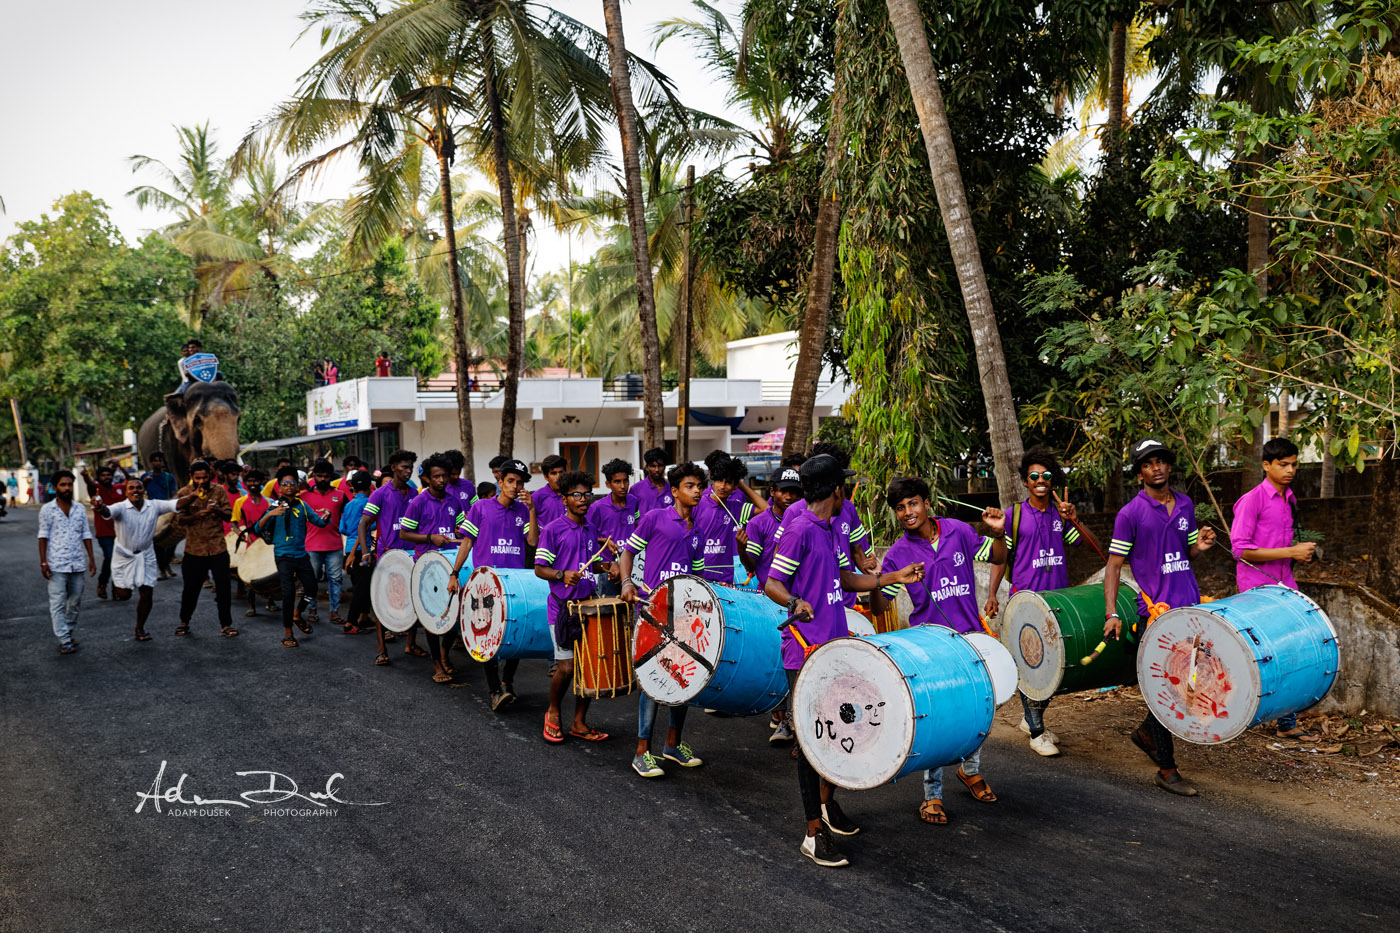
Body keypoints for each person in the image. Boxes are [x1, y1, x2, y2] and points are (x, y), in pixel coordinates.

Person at [764, 455, 925, 867]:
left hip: (836, 646)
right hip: (803, 652)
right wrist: (796, 602)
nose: (846, 493)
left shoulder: (835, 527)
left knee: (836, 732)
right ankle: (812, 833)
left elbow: (848, 579)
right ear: (835, 490)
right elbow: (773, 583)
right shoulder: (799, 528)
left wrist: (895, 577)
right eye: (844, 487)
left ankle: (827, 807)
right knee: (808, 741)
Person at [868, 475, 1006, 825]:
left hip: (970, 638)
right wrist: (883, 578)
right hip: (928, 646)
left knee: (978, 708)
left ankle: (970, 770)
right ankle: (932, 795)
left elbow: (998, 555)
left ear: (927, 503)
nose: (908, 512)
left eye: (913, 503)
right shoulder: (898, 553)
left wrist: (1000, 532)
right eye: (900, 508)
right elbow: (879, 608)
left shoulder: (959, 531)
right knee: (938, 719)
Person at [1104, 438, 1216, 796]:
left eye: (1162, 461)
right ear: (1139, 473)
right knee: (1168, 686)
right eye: (1149, 463)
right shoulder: (1130, 514)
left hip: (1191, 606)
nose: (1157, 467)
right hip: (1157, 613)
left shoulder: (1185, 504)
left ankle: (1145, 732)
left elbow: (1187, 553)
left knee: (1190, 685)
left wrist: (1201, 547)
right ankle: (1167, 769)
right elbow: (1113, 566)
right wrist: (1111, 612)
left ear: (1169, 466)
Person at [983, 448, 1099, 757]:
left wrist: (1075, 520)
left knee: (1053, 666)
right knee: (1031, 664)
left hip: (1058, 600)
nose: (1040, 481)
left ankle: (1031, 718)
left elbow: (1091, 546)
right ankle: (1036, 731)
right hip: (1026, 601)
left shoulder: (1060, 515)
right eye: (1034, 476)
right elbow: (1000, 557)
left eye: (1046, 476)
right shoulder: (1014, 516)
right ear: (1025, 481)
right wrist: (993, 593)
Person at [620, 462, 707, 778]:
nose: (696, 491)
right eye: (689, 486)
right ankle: (642, 752)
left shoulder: (697, 529)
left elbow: (696, 575)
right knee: (653, 679)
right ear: (674, 491)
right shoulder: (655, 518)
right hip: (653, 613)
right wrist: (627, 582)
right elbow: (627, 553)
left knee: (685, 678)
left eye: (699, 486)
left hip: (683, 616)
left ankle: (672, 745)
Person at [1231, 436, 1319, 741]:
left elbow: (1282, 545)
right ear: (1266, 465)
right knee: (1258, 654)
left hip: (1284, 583)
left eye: (1294, 464)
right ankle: (1238, 713)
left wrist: (1296, 555)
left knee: (1295, 648)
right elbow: (1240, 550)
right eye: (1283, 465)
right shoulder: (1252, 500)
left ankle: (1286, 723)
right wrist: (1291, 552)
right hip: (1256, 587)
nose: (1290, 470)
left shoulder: (1289, 498)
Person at [447, 459, 539, 708]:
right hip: (485, 583)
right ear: (500, 482)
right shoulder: (481, 508)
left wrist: (531, 509)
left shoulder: (523, 510)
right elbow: (466, 542)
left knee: (515, 633)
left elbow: (532, 542)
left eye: (519, 482)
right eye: (510, 481)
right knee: (485, 635)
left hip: (515, 583)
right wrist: (455, 573)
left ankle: (507, 682)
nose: (515, 486)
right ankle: (494, 690)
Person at [537, 470, 616, 743]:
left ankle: (579, 723)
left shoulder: (590, 529)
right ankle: (554, 711)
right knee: (567, 668)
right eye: (577, 495)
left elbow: (589, 563)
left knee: (588, 667)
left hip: (588, 606)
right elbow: (539, 568)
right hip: (561, 608)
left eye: (587, 494)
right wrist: (561, 575)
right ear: (564, 499)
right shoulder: (552, 529)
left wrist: (605, 566)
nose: (584, 499)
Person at [741, 466, 804, 743]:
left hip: (800, 599)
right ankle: (781, 719)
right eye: (783, 491)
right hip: (769, 601)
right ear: (773, 492)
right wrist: (742, 548)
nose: (789, 496)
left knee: (797, 661)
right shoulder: (758, 523)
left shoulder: (806, 517)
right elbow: (752, 566)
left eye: (794, 491)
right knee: (777, 659)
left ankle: (794, 721)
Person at [93, 478, 195, 641]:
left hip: (146, 554)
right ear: (126, 492)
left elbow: (176, 505)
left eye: (139, 488)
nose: (135, 491)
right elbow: (107, 512)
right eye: (131, 488)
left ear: (144, 490)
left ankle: (140, 628)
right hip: (124, 556)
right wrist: (100, 507)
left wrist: (195, 494)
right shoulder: (121, 507)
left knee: (146, 592)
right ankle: (117, 584)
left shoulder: (153, 506)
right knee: (124, 595)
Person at [399, 453, 471, 684]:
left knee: (454, 615)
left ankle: (444, 653)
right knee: (432, 617)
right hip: (427, 565)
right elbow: (404, 533)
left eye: (444, 476)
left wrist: (462, 532)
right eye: (436, 476)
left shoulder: (454, 501)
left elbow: (462, 528)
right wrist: (431, 537)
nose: (441, 480)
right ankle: (437, 664)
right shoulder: (418, 502)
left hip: (451, 565)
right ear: (427, 479)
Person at [357, 450, 425, 659]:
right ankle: (381, 650)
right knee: (382, 602)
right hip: (387, 556)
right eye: (404, 467)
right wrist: (366, 552)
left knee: (413, 600)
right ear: (394, 467)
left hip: (411, 555)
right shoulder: (380, 493)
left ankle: (411, 644)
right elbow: (363, 524)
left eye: (410, 468)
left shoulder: (414, 494)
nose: (408, 471)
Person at [256, 467, 331, 648]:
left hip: (301, 554)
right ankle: (288, 631)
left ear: (298, 486)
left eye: (292, 483)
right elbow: (258, 528)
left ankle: (298, 613)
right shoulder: (274, 505)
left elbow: (319, 523)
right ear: (279, 487)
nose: (289, 487)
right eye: (285, 484)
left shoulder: (303, 505)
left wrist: (326, 516)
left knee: (311, 588)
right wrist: (270, 514)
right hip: (283, 555)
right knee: (288, 593)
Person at [173, 460, 238, 638]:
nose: (202, 481)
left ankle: (226, 624)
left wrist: (217, 511)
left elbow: (229, 516)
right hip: (194, 550)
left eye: (205, 477)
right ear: (191, 477)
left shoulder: (219, 490)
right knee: (191, 589)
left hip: (217, 548)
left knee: (224, 589)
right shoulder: (184, 493)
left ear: (210, 475)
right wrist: (196, 515)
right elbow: (180, 520)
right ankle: (184, 622)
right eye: (198, 478)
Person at [37, 470, 96, 654]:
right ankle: (64, 638)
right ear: (55, 488)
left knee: (76, 600)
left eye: (70, 484)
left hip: (77, 563)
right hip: (56, 564)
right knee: (58, 603)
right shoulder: (48, 509)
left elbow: (86, 534)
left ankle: (68, 633)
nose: (67, 488)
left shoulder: (79, 508)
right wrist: (43, 562)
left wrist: (92, 559)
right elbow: (43, 536)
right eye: (63, 485)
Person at [692, 452, 766, 584]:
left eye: (728, 482)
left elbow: (765, 509)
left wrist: (741, 484)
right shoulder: (698, 504)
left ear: (735, 486)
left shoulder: (736, 508)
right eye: (719, 480)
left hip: (724, 579)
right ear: (713, 481)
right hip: (699, 576)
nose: (722, 486)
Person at [302, 459, 349, 627]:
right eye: (319, 476)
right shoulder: (303, 496)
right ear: (313, 476)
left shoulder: (340, 496)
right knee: (311, 580)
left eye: (326, 476)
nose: (322, 479)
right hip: (311, 545)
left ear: (331, 477)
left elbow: (349, 515)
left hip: (334, 545)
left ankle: (334, 612)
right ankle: (312, 610)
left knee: (335, 579)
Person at [586, 459, 639, 596]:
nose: (622, 486)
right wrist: (604, 541)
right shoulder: (597, 507)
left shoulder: (633, 502)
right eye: (617, 482)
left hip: (633, 566)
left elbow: (637, 526)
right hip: (609, 569)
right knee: (611, 609)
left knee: (633, 610)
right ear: (608, 484)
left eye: (625, 481)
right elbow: (586, 535)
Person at [231, 469, 276, 616]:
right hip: (251, 544)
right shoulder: (240, 502)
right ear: (245, 483)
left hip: (268, 544)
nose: (252, 484)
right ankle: (251, 605)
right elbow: (234, 523)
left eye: (256, 481)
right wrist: (240, 534)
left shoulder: (269, 502)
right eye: (249, 481)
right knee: (251, 576)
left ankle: (271, 602)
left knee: (269, 573)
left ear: (261, 482)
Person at [81, 464, 126, 600]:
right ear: (99, 478)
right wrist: (85, 476)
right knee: (110, 557)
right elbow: (89, 484)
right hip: (104, 532)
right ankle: (102, 583)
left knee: (120, 560)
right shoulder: (96, 489)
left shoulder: (118, 489)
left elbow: (130, 482)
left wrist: (121, 468)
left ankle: (116, 588)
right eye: (103, 475)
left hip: (121, 531)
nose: (106, 477)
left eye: (109, 475)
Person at [340, 471, 376, 640]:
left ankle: (363, 617)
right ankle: (350, 623)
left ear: (353, 487)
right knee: (362, 588)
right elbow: (370, 524)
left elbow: (343, 529)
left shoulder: (348, 505)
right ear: (370, 487)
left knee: (358, 586)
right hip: (363, 550)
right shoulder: (370, 504)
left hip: (348, 549)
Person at [141, 453, 180, 579]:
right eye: (155, 461)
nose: (158, 463)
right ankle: (162, 569)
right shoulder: (145, 477)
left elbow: (175, 494)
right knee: (157, 542)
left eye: (160, 460)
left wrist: (170, 501)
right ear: (151, 462)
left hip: (167, 512)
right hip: (152, 512)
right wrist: (145, 484)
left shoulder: (169, 477)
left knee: (171, 541)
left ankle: (166, 565)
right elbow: (139, 493)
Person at [634, 447, 673, 516]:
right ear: (647, 467)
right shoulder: (636, 489)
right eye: (653, 466)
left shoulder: (672, 489)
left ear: (664, 466)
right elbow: (632, 514)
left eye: (660, 466)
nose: (657, 469)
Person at [533, 454, 568, 529]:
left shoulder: (573, 495)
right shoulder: (537, 496)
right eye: (553, 473)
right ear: (546, 477)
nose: (558, 477)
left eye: (561, 472)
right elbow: (527, 521)